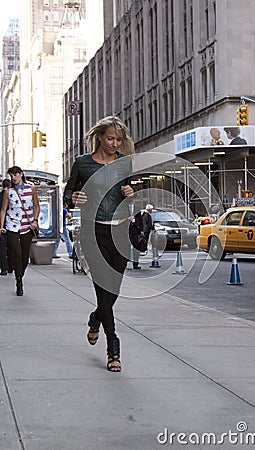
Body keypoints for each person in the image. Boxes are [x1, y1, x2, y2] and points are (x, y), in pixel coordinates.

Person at [63, 116, 134, 373]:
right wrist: (74, 198)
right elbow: (68, 194)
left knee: (113, 291)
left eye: (119, 139)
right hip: (93, 233)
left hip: (121, 233)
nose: (115, 143)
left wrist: (130, 193)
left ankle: (96, 318)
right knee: (103, 287)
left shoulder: (124, 164)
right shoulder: (82, 163)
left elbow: (126, 194)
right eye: (110, 138)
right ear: (100, 137)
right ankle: (113, 347)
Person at [0, 166, 40, 296]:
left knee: (24, 256)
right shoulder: (8, 192)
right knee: (16, 253)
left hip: (27, 227)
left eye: (15, 174)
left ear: (21, 174)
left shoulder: (31, 189)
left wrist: (35, 220)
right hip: (12, 226)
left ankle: (20, 275)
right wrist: (1, 226)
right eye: (11, 175)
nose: (14, 177)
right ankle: (18, 281)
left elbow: (36, 206)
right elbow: (3, 210)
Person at [0, 179, 12, 275]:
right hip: (11, 223)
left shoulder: (0, 195)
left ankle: (3, 268)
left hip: (2, 224)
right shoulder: (11, 196)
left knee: (2, 247)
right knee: (12, 245)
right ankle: (11, 266)